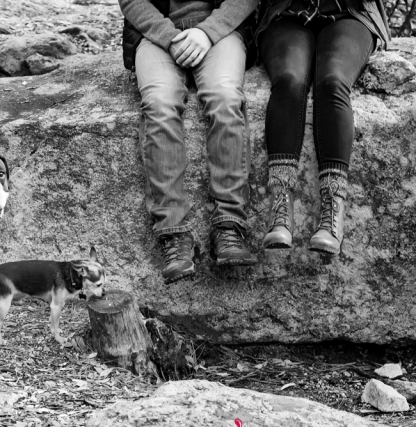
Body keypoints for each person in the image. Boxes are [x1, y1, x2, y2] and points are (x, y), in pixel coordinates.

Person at [120, 0, 260, 285]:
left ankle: (229, 225)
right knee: (159, 104)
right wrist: (169, 38)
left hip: (221, 33)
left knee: (224, 98)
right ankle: (173, 234)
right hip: (157, 37)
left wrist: (208, 32)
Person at [257, 0, 390, 254]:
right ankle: (280, 205)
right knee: (288, 80)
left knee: (332, 82)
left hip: (349, 13)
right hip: (287, 13)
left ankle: (333, 210)